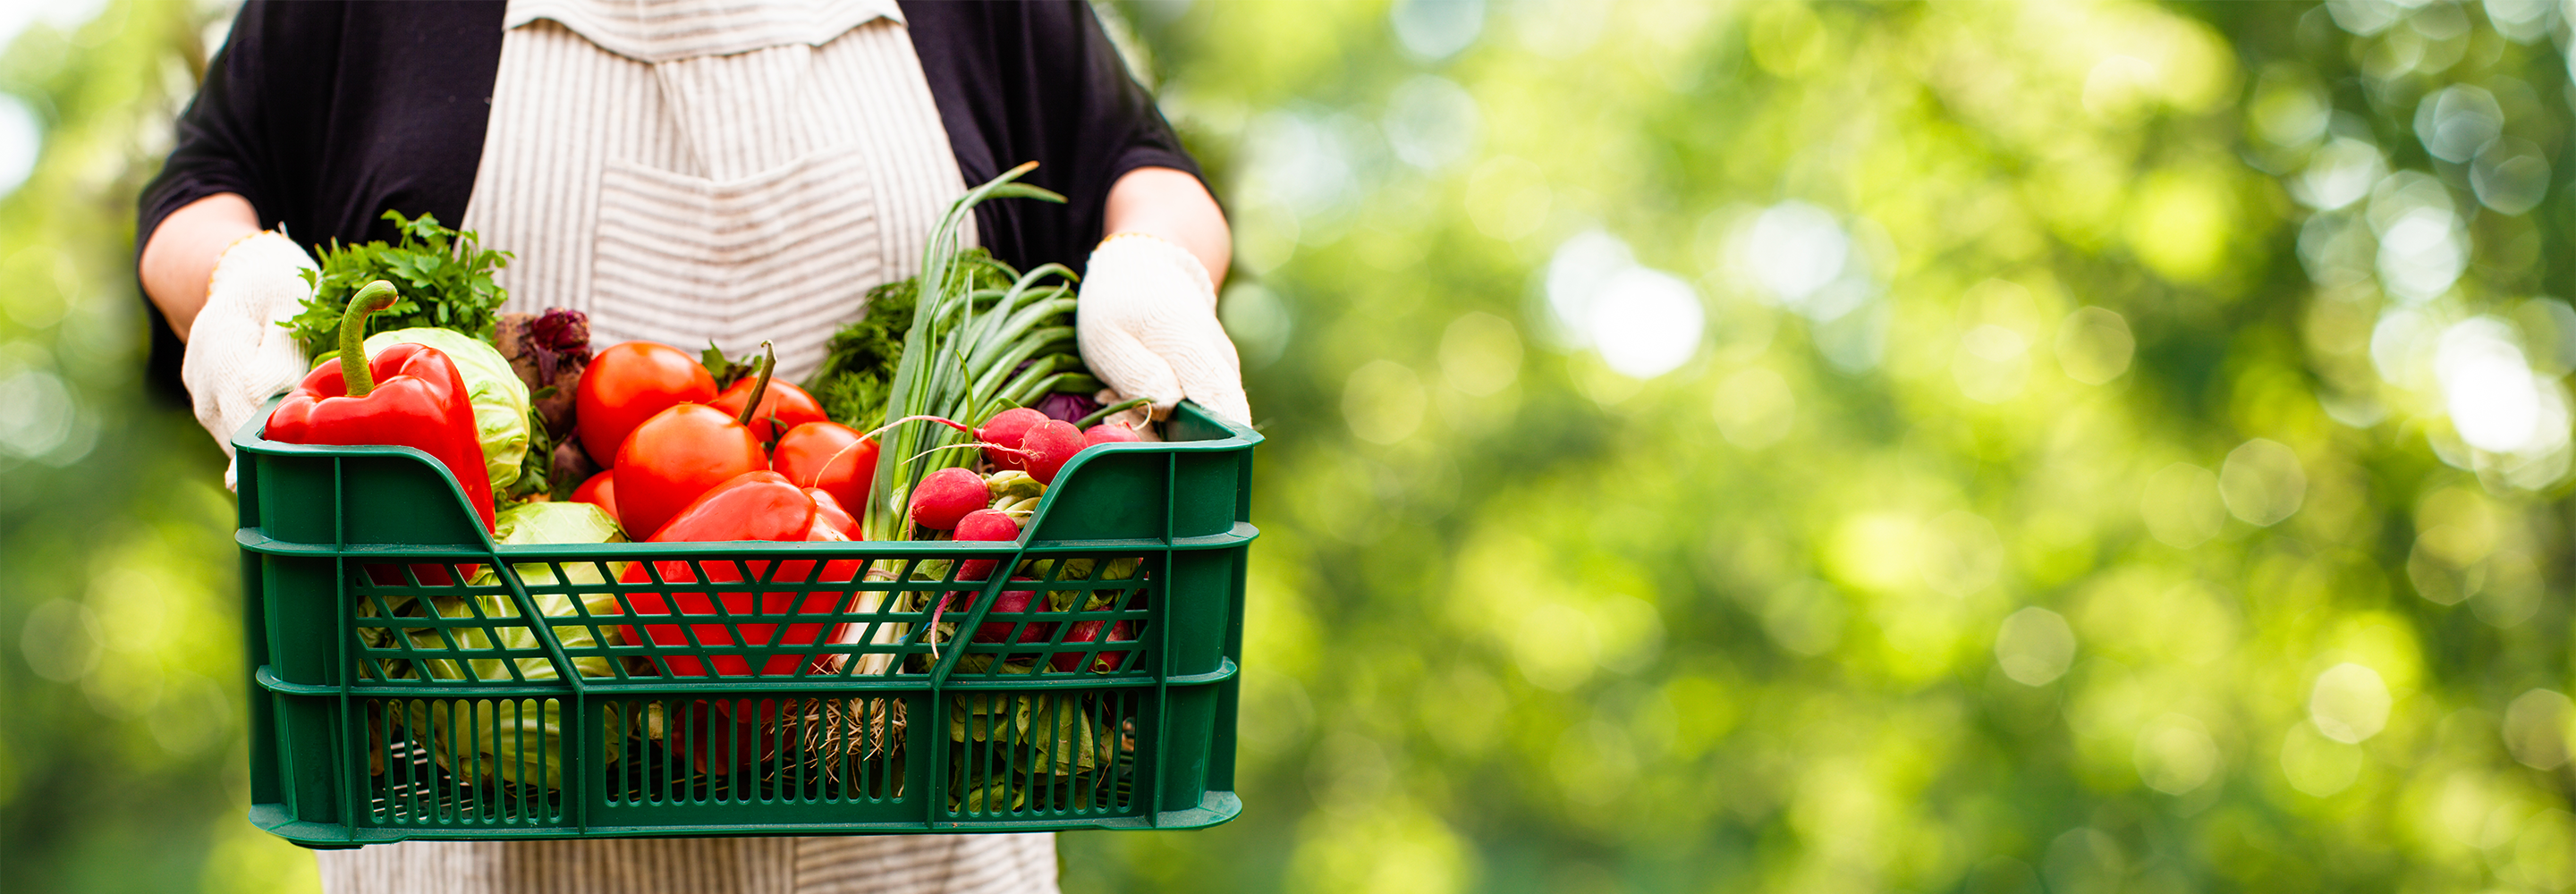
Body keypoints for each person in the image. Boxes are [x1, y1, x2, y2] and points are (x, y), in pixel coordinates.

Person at [134, 1, 1248, 892]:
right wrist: (239, 283)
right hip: (476, 831)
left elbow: (1141, 163)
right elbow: (197, 189)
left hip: (916, 829)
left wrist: (1151, 260)